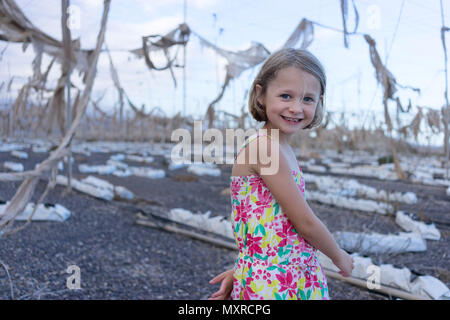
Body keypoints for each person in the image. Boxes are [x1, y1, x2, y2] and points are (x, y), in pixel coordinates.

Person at [208, 48, 354, 300]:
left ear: (320, 101)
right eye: (286, 96)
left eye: (308, 99)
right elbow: (305, 223)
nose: (296, 108)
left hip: (281, 275)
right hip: (278, 284)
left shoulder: (279, 146)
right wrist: (338, 254)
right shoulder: (265, 147)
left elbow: (274, 226)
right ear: (261, 94)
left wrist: (244, 270)